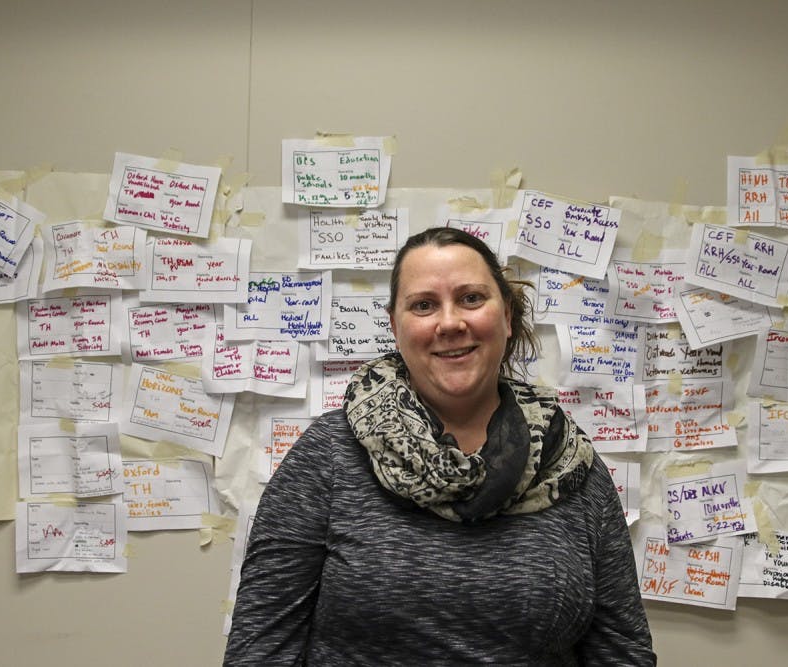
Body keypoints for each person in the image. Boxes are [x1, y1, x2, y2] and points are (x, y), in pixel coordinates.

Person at [224, 226, 656, 665]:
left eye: (471, 298)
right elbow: (260, 648)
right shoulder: (329, 456)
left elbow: (623, 652)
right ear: (396, 326)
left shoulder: (569, 465)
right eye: (424, 305)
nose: (450, 323)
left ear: (506, 316)